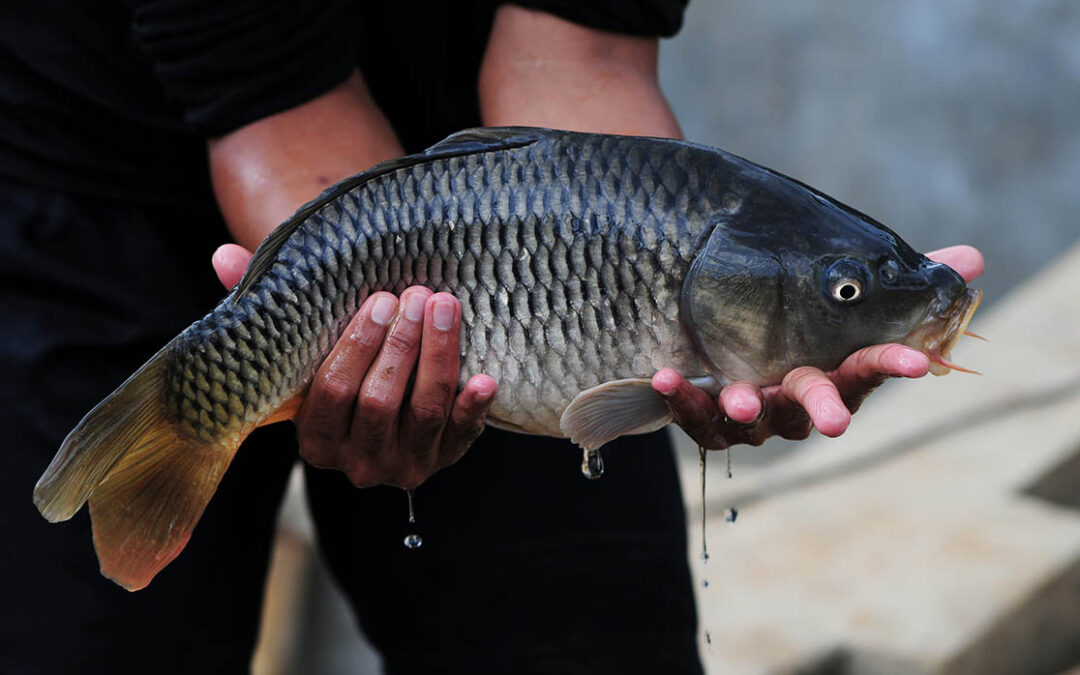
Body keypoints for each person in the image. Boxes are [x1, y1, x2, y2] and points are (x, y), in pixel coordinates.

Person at [1, 2, 984, 673]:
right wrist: (297, 321)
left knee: (590, 643)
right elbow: (270, 104)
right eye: (848, 287)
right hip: (120, 136)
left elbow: (580, 54)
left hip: (535, 218)